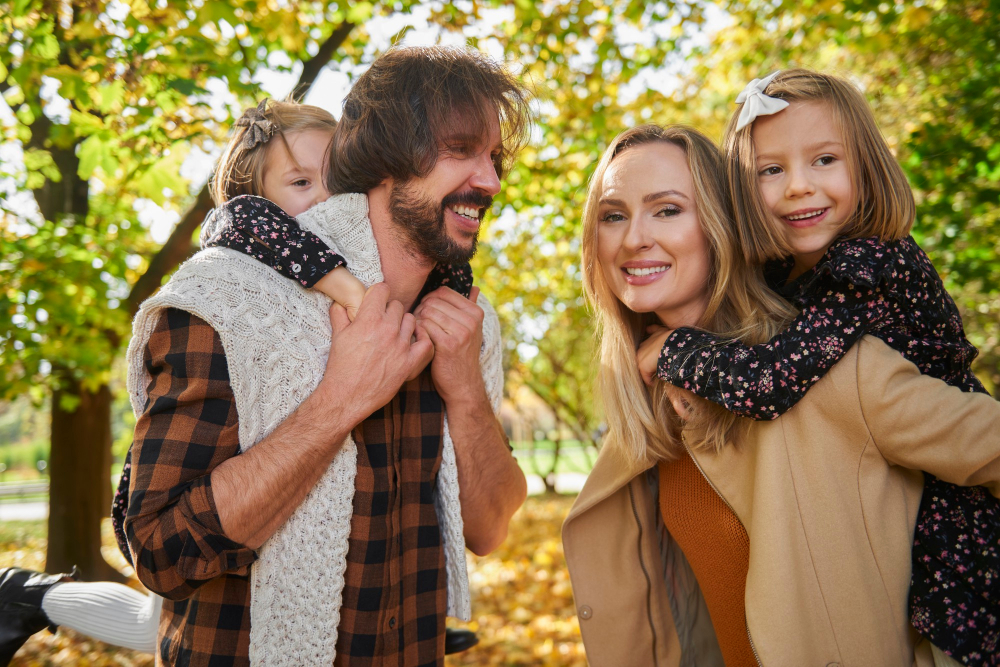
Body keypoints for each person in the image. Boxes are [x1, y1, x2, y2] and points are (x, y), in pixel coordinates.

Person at [116, 45, 528, 667]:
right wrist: (340, 400)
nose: (491, 181)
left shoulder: (469, 320)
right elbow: (159, 552)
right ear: (386, 154)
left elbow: (490, 531)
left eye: (494, 158)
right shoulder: (228, 299)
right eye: (462, 149)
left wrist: (466, 391)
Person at [561, 123, 1000, 666]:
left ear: (723, 225)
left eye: (667, 209)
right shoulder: (651, 407)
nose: (633, 238)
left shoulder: (834, 369)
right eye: (613, 215)